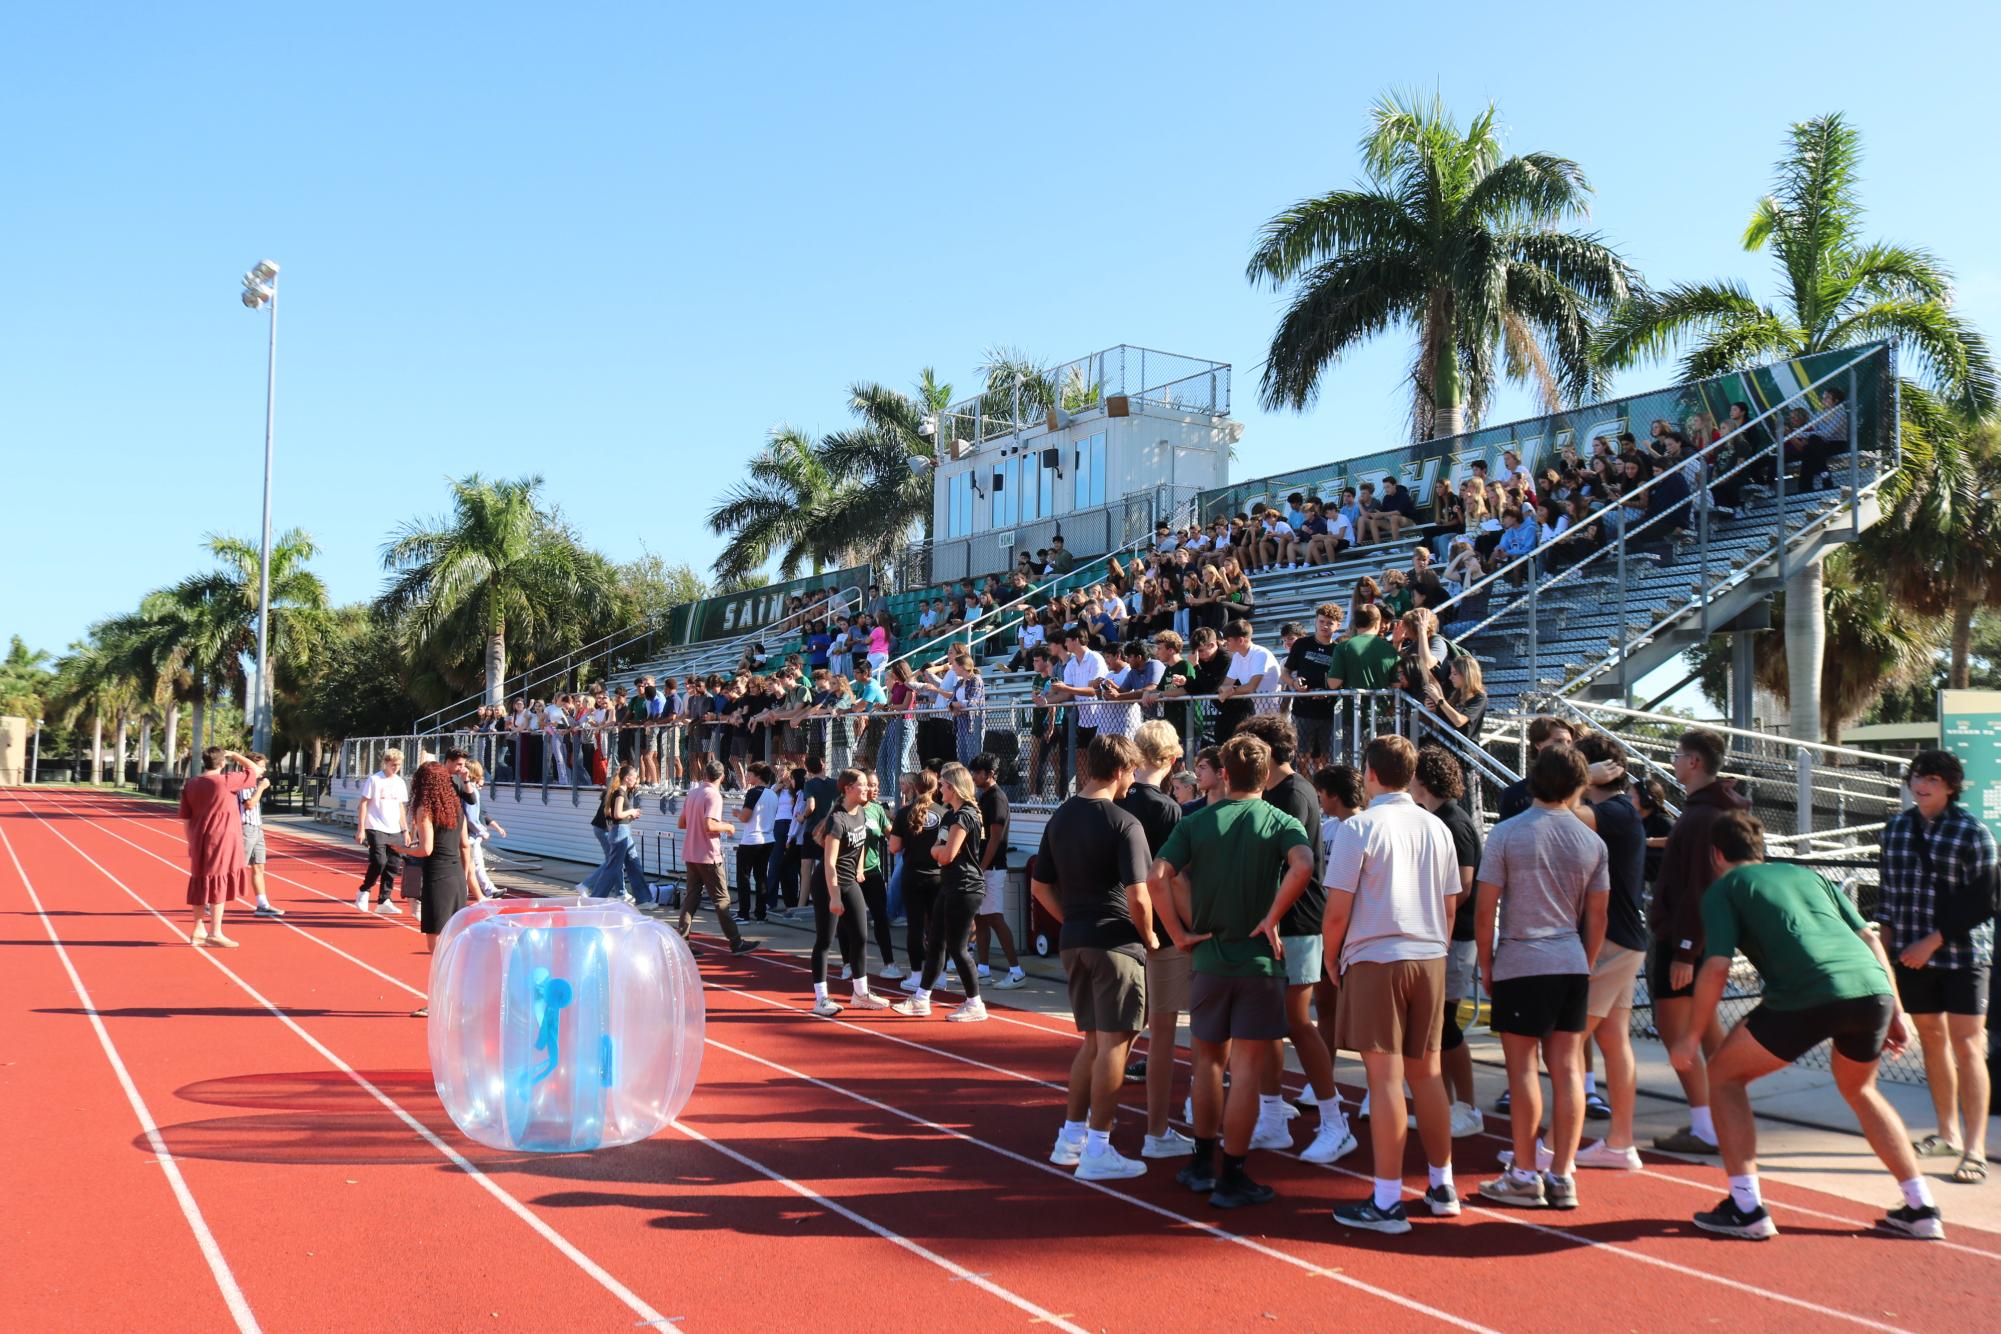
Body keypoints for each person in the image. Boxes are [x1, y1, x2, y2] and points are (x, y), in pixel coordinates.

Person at [1676, 812, 1945, 1241]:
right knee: (1861, 1089)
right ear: (1760, 850)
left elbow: (1717, 967)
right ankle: (1922, 1207)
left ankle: (1746, 1208)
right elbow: (1871, 939)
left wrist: (1690, 1036)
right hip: (1871, 988)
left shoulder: (1723, 888)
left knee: (1724, 1076)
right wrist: (1894, 1010)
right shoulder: (1811, 877)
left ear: (1716, 855)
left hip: (1810, 992)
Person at [1152, 733, 1314, 1209]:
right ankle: (1233, 1174)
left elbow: (1157, 877)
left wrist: (1178, 934)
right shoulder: (1279, 820)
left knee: (1207, 1062)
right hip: (1259, 962)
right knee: (1245, 1072)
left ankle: (1202, 1162)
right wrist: (1273, 916)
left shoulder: (1197, 822)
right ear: (1265, 775)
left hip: (1209, 960)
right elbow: (1303, 864)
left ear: (1223, 773)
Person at [1322, 735, 1463, 1234]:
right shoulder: (1436, 827)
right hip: (1428, 955)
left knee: (1384, 1081)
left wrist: (1331, 955)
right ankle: (1442, 1184)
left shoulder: (1359, 828)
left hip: (1377, 955)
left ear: (1371, 773)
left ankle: (1386, 1201)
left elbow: (1337, 910)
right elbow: (1450, 903)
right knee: (1427, 1074)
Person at [1474, 745, 1608, 1210]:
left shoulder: (1507, 834)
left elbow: (1486, 905)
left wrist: (1487, 964)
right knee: (1569, 1069)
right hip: (1568, 960)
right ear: (1578, 787)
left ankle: (1525, 1173)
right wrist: (1584, 960)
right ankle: (1563, 1174)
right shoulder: (1592, 841)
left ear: (1533, 781)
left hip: (1521, 960)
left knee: (1522, 1069)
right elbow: (1599, 915)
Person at [1035, 734, 1158, 1179]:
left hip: (1076, 939)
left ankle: (1070, 1139)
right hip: (1115, 944)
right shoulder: (1125, 822)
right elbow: (1139, 897)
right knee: (1114, 1045)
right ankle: (1099, 1146)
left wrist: (1072, 918)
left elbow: (1039, 885)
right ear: (1122, 769)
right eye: (1133, 772)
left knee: (1092, 1041)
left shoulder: (1060, 817)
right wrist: (1151, 938)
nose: (1134, 780)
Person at [1239, 716, 1355, 1165]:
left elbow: (1294, 865)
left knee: (1295, 1021)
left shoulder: (1293, 793)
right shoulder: (1275, 792)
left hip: (1299, 923)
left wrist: (1271, 914)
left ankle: (1334, 1121)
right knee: (1269, 1022)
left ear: (1268, 749)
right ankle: (1272, 1117)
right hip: (1276, 922)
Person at [1877, 749, 1996, 1185]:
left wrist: (1933, 940)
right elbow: (1888, 897)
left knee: (1968, 1045)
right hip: (1910, 956)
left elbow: (1984, 901)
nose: (1920, 784)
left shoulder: (1973, 833)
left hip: (1964, 958)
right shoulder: (1895, 829)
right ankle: (1946, 1133)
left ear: (1950, 786)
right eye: (1916, 777)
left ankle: (1975, 1148)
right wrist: (1883, 954)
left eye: (1931, 778)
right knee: (1930, 1040)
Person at [1650, 728, 1747, 1155]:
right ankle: (1722, 1121)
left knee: (1679, 1036)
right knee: (1706, 1031)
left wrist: (1686, 949)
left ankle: (1707, 1126)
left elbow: (1700, 886)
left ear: (1694, 762)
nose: (1673, 762)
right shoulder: (1712, 811)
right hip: (1702, 938)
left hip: (1687, 941)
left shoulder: (1703, 815)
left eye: (1677, 756)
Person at [1117, 720, 1196, 1158]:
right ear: (1171, 760)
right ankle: (1158, 1131)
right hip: (1160, 930)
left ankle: (1090, 1125)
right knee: (1162, 1032)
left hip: (1120, 924)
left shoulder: (1118, 798)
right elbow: (1170, 878)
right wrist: (1189, 927)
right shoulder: (1167, 809)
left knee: (1121, 1031)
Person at [1571, 734, 1650, 1169]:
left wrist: (1577, 780)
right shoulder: (1615, 811)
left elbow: (1556, 812)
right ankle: (1620, 1144)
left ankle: (1545, 1149)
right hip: (1621, 939)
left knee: (1566, 1045)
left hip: (1612, 942)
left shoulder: (1615, 812)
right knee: (1613, 1040)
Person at [1407, 746, 1486, 1138]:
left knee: (1445, 1025)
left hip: (1454, 937)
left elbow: (1464, 885)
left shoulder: (1453, 821)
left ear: (1423, 778)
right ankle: (1444, 1103)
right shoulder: (1435, 818)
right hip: (1441, 936)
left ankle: (1468, 1108)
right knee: (1436, 1025)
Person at [893, 762, 990, 1022]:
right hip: (949, 885)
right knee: (935, 942)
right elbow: (938, 849)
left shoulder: (965, 815)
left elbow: (945, 854)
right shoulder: (949, 815)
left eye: (945, 786)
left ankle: (975, 1003)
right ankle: (922, 998)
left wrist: (938, 852)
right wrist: (938, 851)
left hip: (964, 886)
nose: (941, 790)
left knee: (957, 949)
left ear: (955, 788)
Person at [811, 769, 888, 1016]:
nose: (867, 789)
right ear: (848, 789)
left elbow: (862, 841)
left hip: (850, 882)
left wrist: (858, 868)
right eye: (862, 785)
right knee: (825, 940)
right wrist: (834, 896)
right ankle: (821, 999)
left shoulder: (862, 812)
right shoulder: (837, 819)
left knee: (861, 935)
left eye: (867, 785)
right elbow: (829, 862)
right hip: (828, 883)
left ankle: (860, 993)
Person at [401, 759, 471, 1017]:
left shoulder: (424, 809)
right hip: (455, 877)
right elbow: (465, 845)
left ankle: (440, 1003)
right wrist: (463, 878)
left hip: (437, 878)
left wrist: (399, 849)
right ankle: (458, 999)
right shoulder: (456, 806)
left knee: (438, 948)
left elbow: (426, 849)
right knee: (453, 943)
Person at [178, 747, 265, 948]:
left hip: (199, 837)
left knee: (201, 880)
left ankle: (198, 929)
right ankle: (215, 932)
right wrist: (235, 755)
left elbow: (186, 819)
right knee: (219, 881)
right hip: (223, 837)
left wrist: (191, 841)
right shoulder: (227, 781)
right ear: (222, 763)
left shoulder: (191, 784)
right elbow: (255, 770)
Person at [677, 760, 757, 955]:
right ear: (722, 777)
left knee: (691, 898)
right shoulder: (713, 795)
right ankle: (736, 942)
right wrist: (728, 826)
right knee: (722, 900)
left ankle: (682, 941)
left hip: (691, 853)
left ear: (705, 774)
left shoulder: (694, 793)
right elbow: (710, 826)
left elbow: (682, 823)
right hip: (708, 855)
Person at [970, 754, 1027, 989]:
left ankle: (1016, 970)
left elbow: (995, 838)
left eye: (977, 772)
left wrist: (981, 867)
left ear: (989, 774)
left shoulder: (996, 799)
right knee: (980, 918)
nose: (973, 776)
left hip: (992, 868)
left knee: (994, 917)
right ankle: (983, 969)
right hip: (985, 867)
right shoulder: (986, 797)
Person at [1283, 604, 1342, 771]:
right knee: (1301, 757)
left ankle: (1321, 792)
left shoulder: (1338, 649)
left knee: (1324, 758)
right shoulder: (1302, 644)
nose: (1324, 625)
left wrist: (1328, 692)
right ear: (1315, 621)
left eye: (1330, 623)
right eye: (1321, 621)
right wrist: (1295, 684)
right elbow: (1285, 673)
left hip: (1328, 712)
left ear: (1338, 625)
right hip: (1303, 711)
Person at [583, 763, 650, 903]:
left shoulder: (621, 792)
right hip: (620, 832)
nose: (637, 780)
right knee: (613, 866)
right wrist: (632, 811)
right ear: (627, 778)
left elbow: (617, 816)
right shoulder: (619, 792)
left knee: (633, 863)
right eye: (635, 777)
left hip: (622, 830)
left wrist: (631, 816)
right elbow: (617, 814)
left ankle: (643, 899)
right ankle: (596, 897)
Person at [354, 747, 410, 914]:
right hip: (375, 826)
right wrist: (361, 829)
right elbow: (363, 803)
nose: (396, 768)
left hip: (394, 829)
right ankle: (364, 890)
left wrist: (405, 830)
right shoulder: (374, 780)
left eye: (399, 765)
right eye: (393, 764)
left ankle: (384, 900)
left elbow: (401, 806)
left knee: (393, 865)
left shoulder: (400, 782)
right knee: (379, 861)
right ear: (385, 762)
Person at [858, 771, 903, 979]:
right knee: (850, 921)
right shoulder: (847, 809)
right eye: (871, 785)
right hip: (850, 875)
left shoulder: (877, 810)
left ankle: (889, 963)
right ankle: (850, 963)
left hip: (873, 872)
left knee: (880, 918)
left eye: (877, 785)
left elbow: (892, 836)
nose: (875, 789)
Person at [1215, 618, 1280, 742]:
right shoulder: (1237, 657)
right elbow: (1225, 685)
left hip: (1274, 713)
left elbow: (1251, 686)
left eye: (1228, 640)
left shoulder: (1260, 654)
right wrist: (1226, 690)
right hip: (1257, 712)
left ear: (1240, 640)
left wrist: (1230, 691)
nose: (1225, 643)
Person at [236, 751, 282, 918]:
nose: (263, 770)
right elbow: (249, 804)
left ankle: (262, 904)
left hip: (256, 827)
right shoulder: (244, 782)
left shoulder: (254, 782)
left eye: (263, 767)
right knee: (235, 868)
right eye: (260, 767)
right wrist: (261, 788)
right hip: (245, 828)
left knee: (259, 866)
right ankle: (209, 900)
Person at [734, 762, 776, 923]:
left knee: (743, 877)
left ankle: (743, 913)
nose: (747, 776)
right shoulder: (773, 794)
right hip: (768, 839)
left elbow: (745, 817)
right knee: (761, 877)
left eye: (749, 774)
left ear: (757, 776)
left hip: (752, 839)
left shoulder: (753, 793)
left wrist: (737, 813)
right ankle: (761, 913)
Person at [460, 760, 507, 902]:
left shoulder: (468, 789)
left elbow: (481, 815)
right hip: (470, 836)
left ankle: (488, 890)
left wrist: (496, 827)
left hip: (470, 835)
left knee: (475, 865)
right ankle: (479, 893)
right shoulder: (471, 790)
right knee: (471, 866)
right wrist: (482, 831)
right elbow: (471, 816)